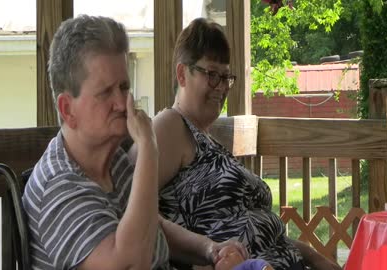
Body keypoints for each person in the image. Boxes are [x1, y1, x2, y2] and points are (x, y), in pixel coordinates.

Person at [22, 14, 247, 270]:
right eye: (106, 92)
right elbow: (130, 264)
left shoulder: (112, 161)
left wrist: (209, 250)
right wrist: (149, 148)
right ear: (67, 109)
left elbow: (151, 226)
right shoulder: (60, 187)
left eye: (124, 86)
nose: (122, 103)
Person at [128, 18, 341, 270]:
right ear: (182, 73)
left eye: (226, 77)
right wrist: (207, 250)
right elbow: (132, 207)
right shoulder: (170, 125)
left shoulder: (209, 140)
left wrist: (315, 257)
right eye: (211, 75)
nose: (221, 87)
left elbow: (264, 233)